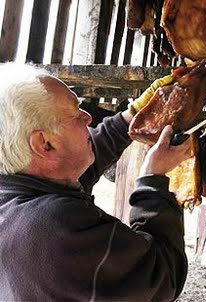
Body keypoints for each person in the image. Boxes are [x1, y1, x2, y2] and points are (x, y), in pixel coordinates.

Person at [0, 62, 192, 301]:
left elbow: (74, 162)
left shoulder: (14, 192)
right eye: (76, 113)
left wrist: (131, 116)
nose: (88, 117)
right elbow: (163, 276)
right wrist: (152, 180)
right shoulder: (56, 226)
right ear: (45, 144)